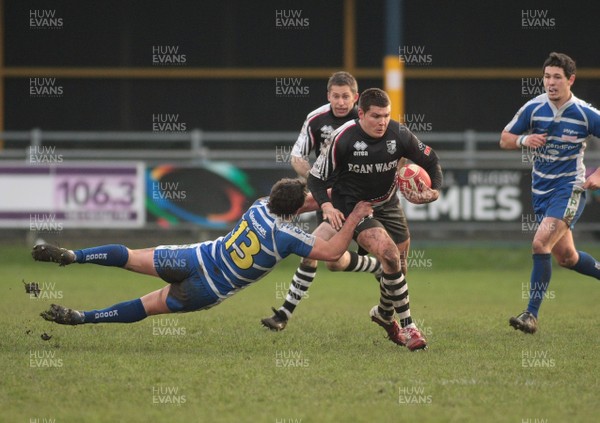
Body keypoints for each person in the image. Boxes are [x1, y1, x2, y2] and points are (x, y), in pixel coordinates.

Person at [33, 178, 373, 326]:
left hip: (194, 258)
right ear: (296, 208)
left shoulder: (258, 206)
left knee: (130, 255)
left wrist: (330, 193)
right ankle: (83, 317)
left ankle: (76, 256)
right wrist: (354, 214)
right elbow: (330, 251)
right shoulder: (286, 236)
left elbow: (302, 201)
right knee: (146, 307)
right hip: (206, 289)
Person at [307, 88, 443, 351]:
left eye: (386, 115)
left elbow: (431, 159)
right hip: (354, 208)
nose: (382, 122)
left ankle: (383, 313)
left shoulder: (399, 134)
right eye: (376, 116)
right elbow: (315, 178)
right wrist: (326, 205)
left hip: (388, 204)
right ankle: (409, 328)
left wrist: (435, 189)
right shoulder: (342, 138)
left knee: (399, 269)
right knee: (389, 256)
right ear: (361, 114)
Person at [262, 71, 382, 331]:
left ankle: (283, 315)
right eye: (336, 96)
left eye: (346, 97)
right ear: (328, 96)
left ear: (356, 98)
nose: (340, 102)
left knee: (309, 251)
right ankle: (377, 266)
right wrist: (316, 179)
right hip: (330, 197)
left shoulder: (367, 118)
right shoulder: (316, 119)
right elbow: (297, 157)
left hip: (360, 198)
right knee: (334, 262)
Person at [500, 52, 600, 334]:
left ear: (571, 80)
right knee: (567, 257)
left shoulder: (584, 113)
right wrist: (524, 139)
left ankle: (530, 315)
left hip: (569, 189)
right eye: (547, 77)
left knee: (539, 243)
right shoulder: (534, 108)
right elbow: (505, 139)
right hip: (541, 191)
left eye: (557, 77)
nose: (551, 83)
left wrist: (599, 174)